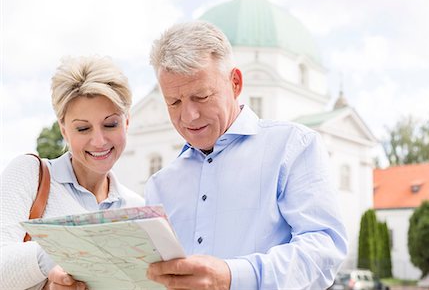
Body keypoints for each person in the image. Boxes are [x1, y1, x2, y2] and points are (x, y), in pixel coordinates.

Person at [145, 21, 348, 290]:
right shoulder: (160, 185)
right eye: (174, 102)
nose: (188, 116)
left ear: (236, 83)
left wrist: (233, 277)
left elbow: (323, 250)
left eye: (202, 96)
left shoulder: (292, 146)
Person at [0, 56, 144, 290]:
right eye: (83, 128)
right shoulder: (28, 174)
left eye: (110, 124)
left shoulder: (135, 207)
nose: (99, 141)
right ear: (64, 130)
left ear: (126, 123)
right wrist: (63, 250)